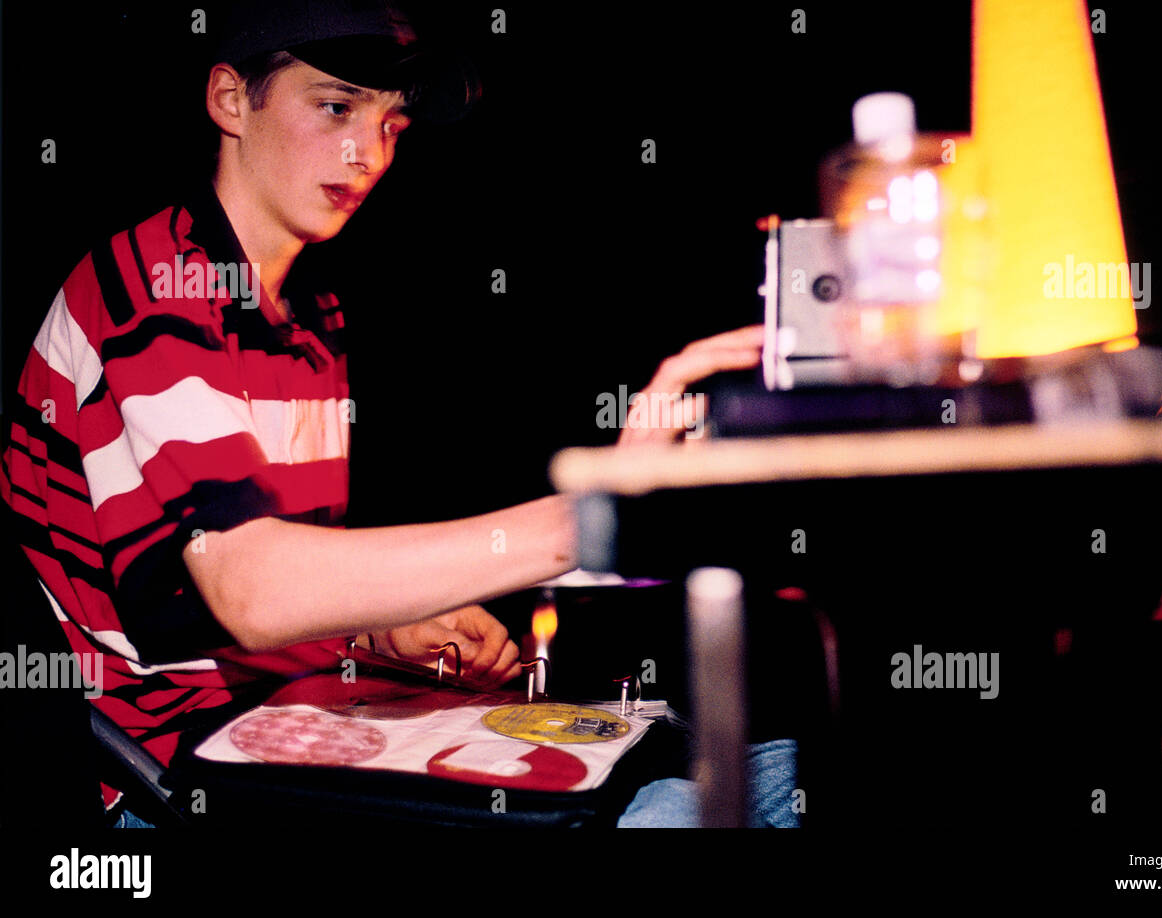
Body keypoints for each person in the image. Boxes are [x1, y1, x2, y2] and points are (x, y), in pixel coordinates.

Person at [1, 0, 765, 826]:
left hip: (287, 725)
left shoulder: (309, 314)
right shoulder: (156, 283)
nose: (367, 153)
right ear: (229, 100)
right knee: (688, 811)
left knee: (741, 770)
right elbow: (245, 588)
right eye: (335, 107)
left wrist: (374, 633)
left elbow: (184, 601)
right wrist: (592, 517)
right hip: (177, 781)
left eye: (392, 124)